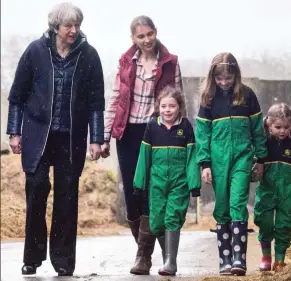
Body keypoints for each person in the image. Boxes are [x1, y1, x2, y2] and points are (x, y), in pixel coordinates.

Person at [6, 2, 105, 277]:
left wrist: (97, 138)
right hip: (38, 134)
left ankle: (63, 261)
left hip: (70, 138)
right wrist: (14, 132)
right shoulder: (35, 52)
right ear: (55, 27)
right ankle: (32, 257)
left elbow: (97, 102)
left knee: (67, 197)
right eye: (68, 26)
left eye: (77, 25)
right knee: (36, 190)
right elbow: (17, 96)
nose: (73, 31)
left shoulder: (89, 55)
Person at [101, 15, 183, 275]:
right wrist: (104, 136)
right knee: (132, 192)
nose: (146, 40)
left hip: (156, 133)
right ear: (133, 38)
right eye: (140, 36)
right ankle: (146, 249)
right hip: (127, 133)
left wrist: (181, 137)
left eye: (149, 34)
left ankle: (143, 257)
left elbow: (179, 101)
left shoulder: (170, 63)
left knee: (152, 191)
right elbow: (115, 98)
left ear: (156, 32)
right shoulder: (126, 62)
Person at [195, 52, 267, 276]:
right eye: (219, 78)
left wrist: (261, 159)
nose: (224, 82)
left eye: (228, 77)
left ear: (236, 75)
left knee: (238, 202)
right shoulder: (208, 99)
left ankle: (239, 259)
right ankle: (224, 259)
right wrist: (205, 163)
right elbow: (202, 134)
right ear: (212, 76)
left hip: (242, 158)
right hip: (217, 160)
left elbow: (257, 130)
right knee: (222, 205)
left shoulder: (247, 95)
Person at [133, 86, 201, 276]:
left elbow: (191, 158)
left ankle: (171, 262)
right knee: (156, 223)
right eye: (163, 106)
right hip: (157, 182)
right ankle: (166, 258)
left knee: (173, 218)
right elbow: (144, 156)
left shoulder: (185, 127)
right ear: (158, 107)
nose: (167, 110)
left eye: (172, 106)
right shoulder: (152, 126)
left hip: (179, 181)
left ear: (179, 107)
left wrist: (194, 184)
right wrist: (140, 182)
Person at [254, 103, 291, 272]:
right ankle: (266, 257)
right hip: (266, 191)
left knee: (284, 225)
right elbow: (254, 165)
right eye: (278, 127)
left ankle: (279, 260)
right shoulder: (262, 144)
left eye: (286, 127)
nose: (282, 131)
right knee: (265, 222)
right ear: (268, 125)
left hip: (287, 192)